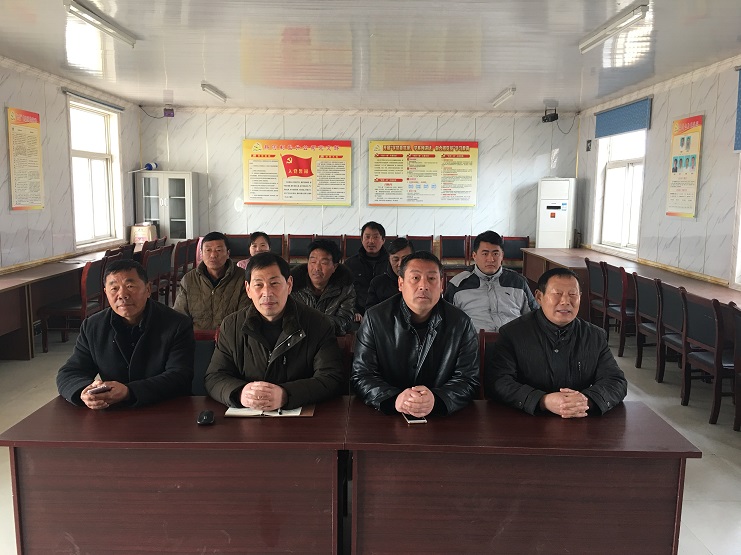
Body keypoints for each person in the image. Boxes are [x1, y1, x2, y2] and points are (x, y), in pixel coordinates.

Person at [205, 252, 344, 410]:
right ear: (248, 289)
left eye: (274, 283)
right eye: (258, 285)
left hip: (302, 417)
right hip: (248, 416)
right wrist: (240, 393)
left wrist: (286, 395)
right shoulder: (231, 325)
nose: (267, 293)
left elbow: (331, 378)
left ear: (289, 284)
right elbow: (214, 377)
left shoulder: (318, 324)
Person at [485, 267, 627, 418]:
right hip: (527, 419)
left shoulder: (594, 336)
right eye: (557, 294)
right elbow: (499, 382)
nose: (565, 301)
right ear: (539, 297)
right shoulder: (512, 334)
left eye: (572, 294)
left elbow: (615, 381)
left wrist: (585, 401)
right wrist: (542, 401)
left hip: (578, 419)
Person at [351, 251, 479, 417]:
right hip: (387, 415)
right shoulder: (375, 319)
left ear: (441, 285)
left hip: (441, 417)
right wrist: (395, 399)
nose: (423, 286)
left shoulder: (461, 323)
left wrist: (436, 400)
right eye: (415, 278)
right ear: (401, 283)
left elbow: (468, 380)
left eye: (431, 278)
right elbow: (362, 375)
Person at [56, 260, 194, 409]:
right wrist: (84, 391)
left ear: (148, 289)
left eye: (130, 286)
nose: (122, 295)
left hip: (165, 409)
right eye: (114, 288)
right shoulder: (93, 326)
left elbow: (179, 376)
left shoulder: (177, 324)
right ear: (106, 293)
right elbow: (70, 372)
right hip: (113, 413)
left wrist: (129, 392)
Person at [444, 231, 538, 332]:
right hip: (474, 340)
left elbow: (535, 317)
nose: (491, 259)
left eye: (495, 254)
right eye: (485, 254)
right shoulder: (458, 285)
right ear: (474, 256)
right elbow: (446, 321)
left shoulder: (518, 282)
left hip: (513, 339)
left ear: (502, 255)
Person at [174, 231, 250, 330]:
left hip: (230, 337)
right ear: (201, 254)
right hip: (196, 337)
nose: (213, 255)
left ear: (228, 253)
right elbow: (180, 316)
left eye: (219, 250)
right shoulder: (189, 279)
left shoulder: (242, 278)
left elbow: (244, 317)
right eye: (208, 250)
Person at [290, 239, 356, 336]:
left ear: (334, 267)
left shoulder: (345, 288)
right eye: (313, 261)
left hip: (330, 339)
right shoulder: (293, 286)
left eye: (324, 263)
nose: (317, 268)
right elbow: (288, 319)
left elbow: (344, 321)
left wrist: (314, 322)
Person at [344, 221, 390, 320]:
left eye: (375, 237)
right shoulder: (350, 264)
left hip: (385, 315)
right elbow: (345, 291)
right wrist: (353, 310)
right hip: (357, 315)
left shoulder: (391, 264)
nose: (371, 241)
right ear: (361, 239)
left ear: (383, 240)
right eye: (367, 237)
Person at [366, 237, 414, 309]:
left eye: (405, 259)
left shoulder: (421, 283)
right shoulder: (378, 284)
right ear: (389, 259)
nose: (400, 264)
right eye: (395, 259)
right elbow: (370, 312)